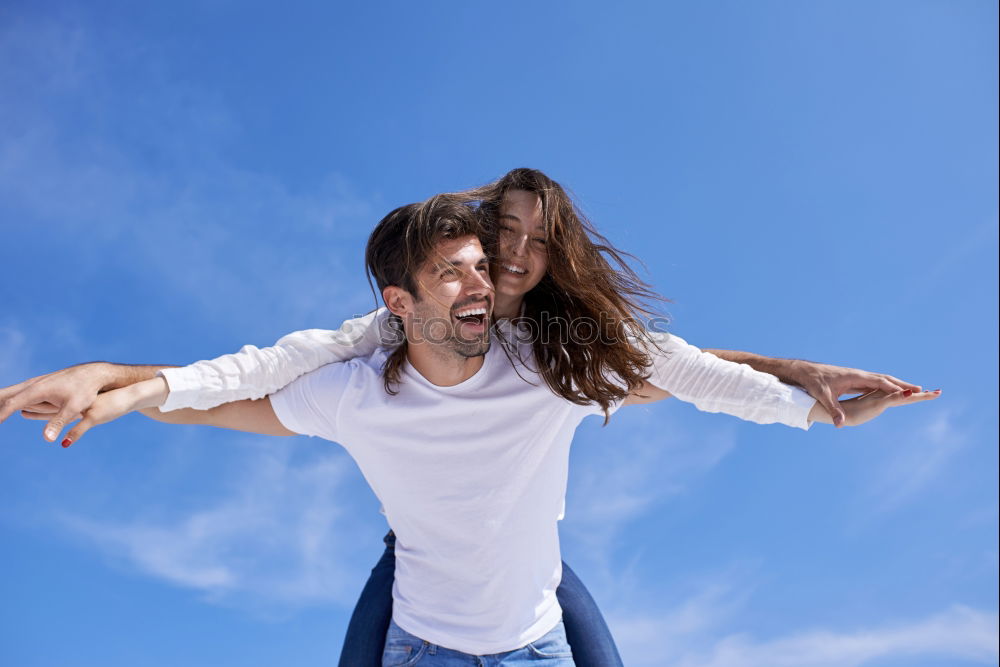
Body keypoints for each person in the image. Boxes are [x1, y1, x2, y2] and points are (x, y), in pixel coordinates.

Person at [0, 170, 935, 666]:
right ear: (399, 303)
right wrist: (115, 386)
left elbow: (680, 370)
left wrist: (806, 399)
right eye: (455, 271)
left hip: (533, 638)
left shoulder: (547, 367)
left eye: (485, 265)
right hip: (422, 643)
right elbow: (230, 389)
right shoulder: (355, 387)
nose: (484, 280)